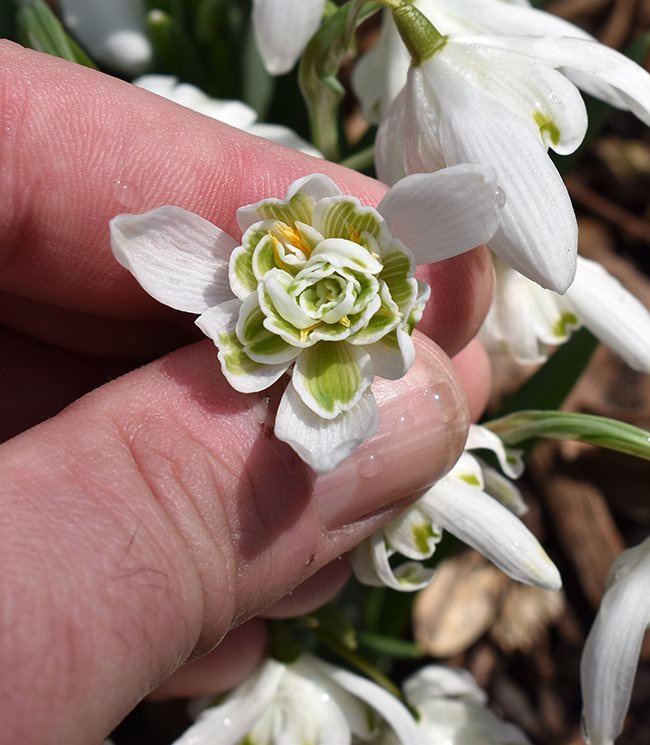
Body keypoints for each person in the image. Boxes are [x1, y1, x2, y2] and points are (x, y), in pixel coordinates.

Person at [0, 40, 494, 744]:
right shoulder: (247, 281)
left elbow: (469, 204)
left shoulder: (373, 279)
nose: (326, 293)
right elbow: (147, 246)